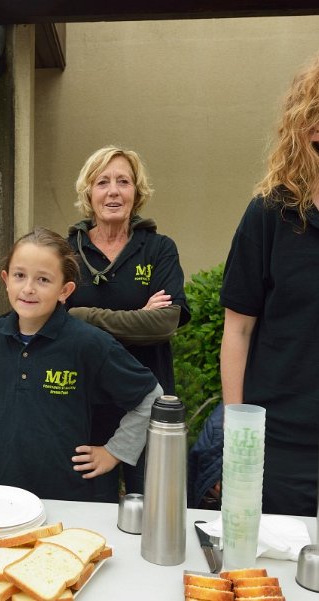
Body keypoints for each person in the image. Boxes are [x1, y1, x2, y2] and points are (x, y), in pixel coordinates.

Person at [0, 227, 162, 501]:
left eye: (43, 280)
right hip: (0, 493)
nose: (28, 288)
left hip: (70, 497)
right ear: (6, 280)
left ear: (65, 290)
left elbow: (150, 397)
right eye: (19, 275)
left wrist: (114, 452)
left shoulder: (89, 343)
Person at [220, 54, 319, 517]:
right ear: (304, 127)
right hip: (281, 441)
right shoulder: (269, 213)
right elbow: (237, 331)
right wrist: (238, 432)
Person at [66, 146, 190, 499]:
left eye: (123, 181)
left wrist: (82, 315)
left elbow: (165, 323)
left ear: (137, 192)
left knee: (152, 507)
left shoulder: (159, 249)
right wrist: (139, 318)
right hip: (84, 401)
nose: (113, 191)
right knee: (86, 511)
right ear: (89, 192)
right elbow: (55, 323)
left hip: (149, 397)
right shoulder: (67, 252)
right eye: (102, 182)